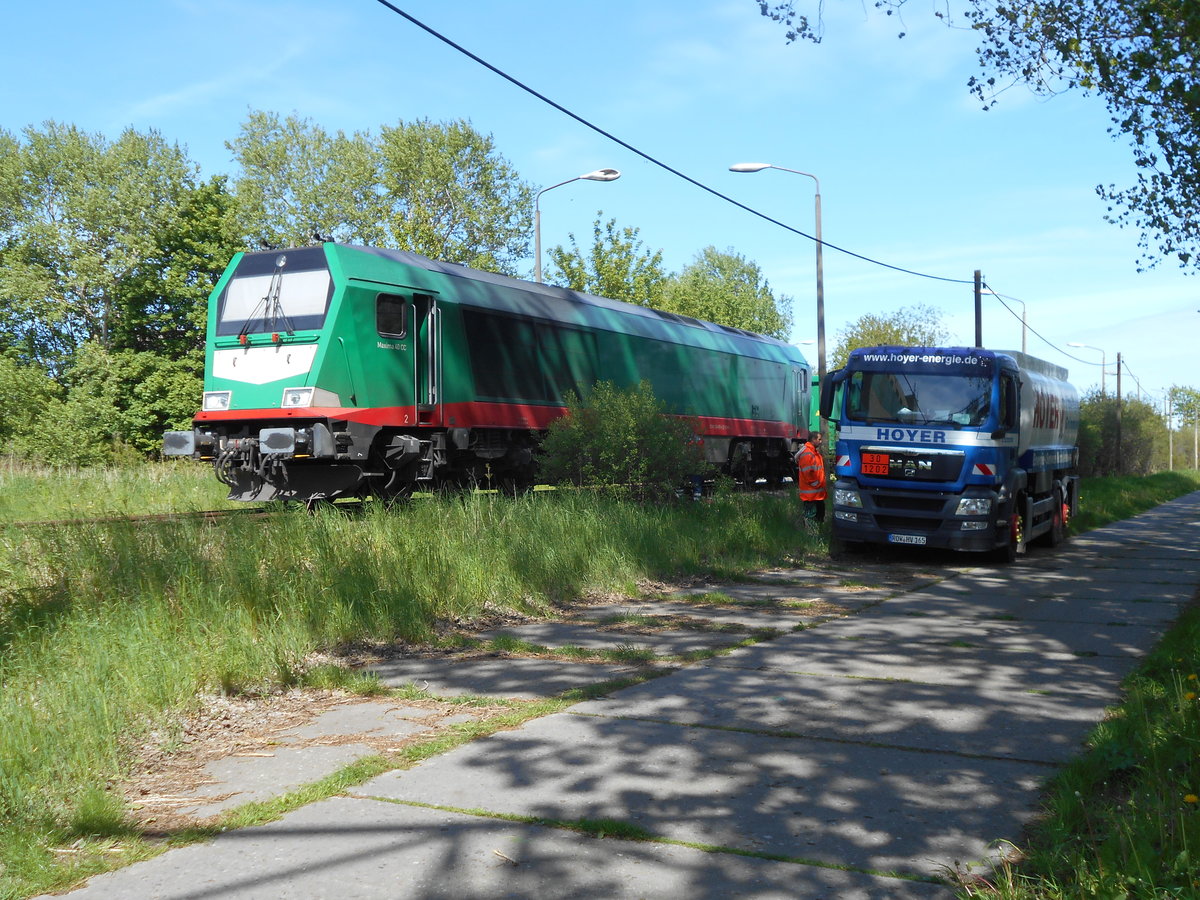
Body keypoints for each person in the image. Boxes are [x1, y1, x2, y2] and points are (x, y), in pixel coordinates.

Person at [795, 432, 827, 525]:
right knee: (811, 518)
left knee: (819, 516)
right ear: (813, 440)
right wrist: (817, 484)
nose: (821, 442)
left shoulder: (813, 453)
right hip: (811, 495)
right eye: (819, 439)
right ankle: (811, 537)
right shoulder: (808, 454)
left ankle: (816, 535)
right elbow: (807, 474)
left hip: (817, 494)